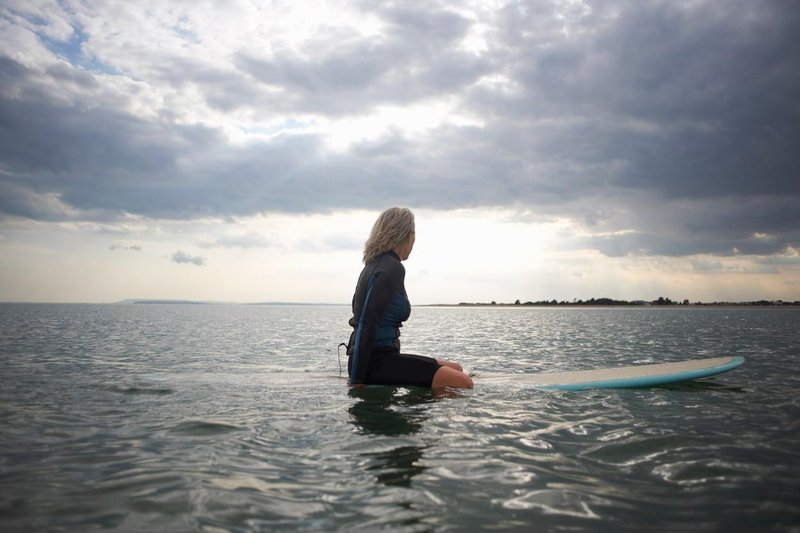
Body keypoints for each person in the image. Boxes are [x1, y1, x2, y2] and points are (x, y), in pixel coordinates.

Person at [347, 207, 474, 389]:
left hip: (376, 358)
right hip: (374, 363)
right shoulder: (392, 268)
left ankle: (414, 408)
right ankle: (418, 414)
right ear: (410, 235)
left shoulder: (376, 264)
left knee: (456, 369)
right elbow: (367, 324)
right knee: (463, 382)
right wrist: (357, 381)